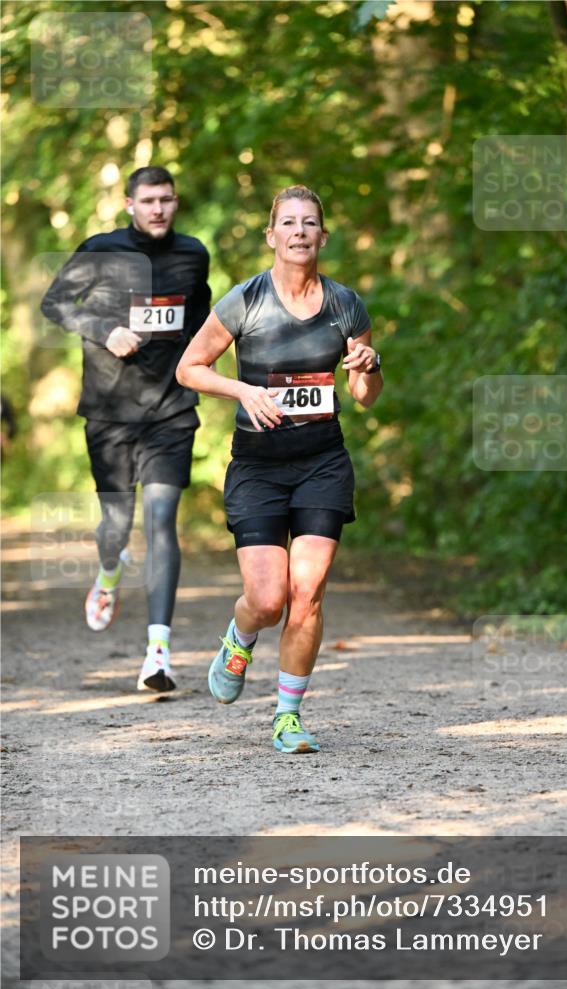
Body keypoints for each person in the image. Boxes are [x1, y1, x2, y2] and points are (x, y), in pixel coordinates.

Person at [176, 184, 383, 753]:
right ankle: (239, 637)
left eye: (309, 223)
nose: (299, 232)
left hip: (322, 463)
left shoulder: (346, 305)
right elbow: (190, 368)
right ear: (271, 236)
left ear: (323, 236)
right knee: (267, 600)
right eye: (288, 223)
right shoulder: (246, 300)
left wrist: (369, 365)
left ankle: (288, 717)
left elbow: (364, 395)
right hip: (259, 467)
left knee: (307, 592)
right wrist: (243, 390)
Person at [41, 166, 210, 693]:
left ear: (176, 202)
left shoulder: (193, 254)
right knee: (116, 523)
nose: (158, 209)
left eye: (166, 199)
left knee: (161, 520)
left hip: (171, 411)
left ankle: (158, 654)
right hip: (110, 412)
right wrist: (103, 329)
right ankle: (110, 569)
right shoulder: (101, 249)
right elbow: (54, 304)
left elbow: (201, 323)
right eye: (148, 200)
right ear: (129, 204)